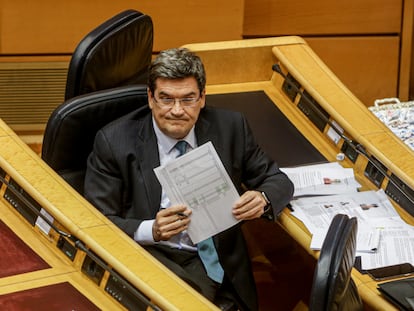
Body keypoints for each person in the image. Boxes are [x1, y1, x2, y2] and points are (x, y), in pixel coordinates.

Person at [84, 47, 294, 311]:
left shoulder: (230, 127)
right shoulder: (115, 142)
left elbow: (278, 180)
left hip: (222, 259)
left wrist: (263, 199)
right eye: (166, 99)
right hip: (155, 256)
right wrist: (152, 230)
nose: (176, 111)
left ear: (202, 98)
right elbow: (96, 223)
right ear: (150, 98)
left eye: (187, 99)